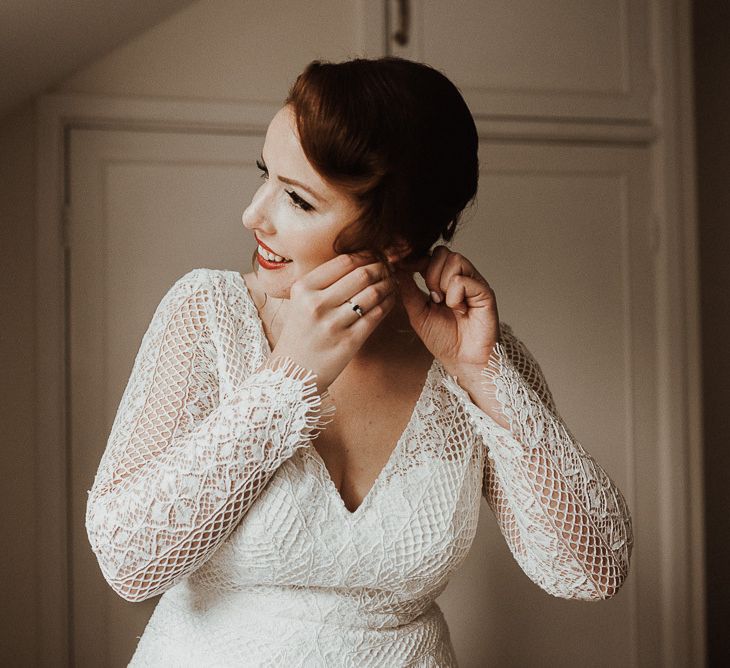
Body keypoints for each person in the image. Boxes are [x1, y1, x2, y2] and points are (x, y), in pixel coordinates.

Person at [85, 56, 634, 667]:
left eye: (296, 198)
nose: (253, 215)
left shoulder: (473, 356)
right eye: (265, 175)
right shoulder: (207, 314)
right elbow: (127, 562)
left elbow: (593, 570)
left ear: (397, 238)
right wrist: (288, 380)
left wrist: (482, 375)